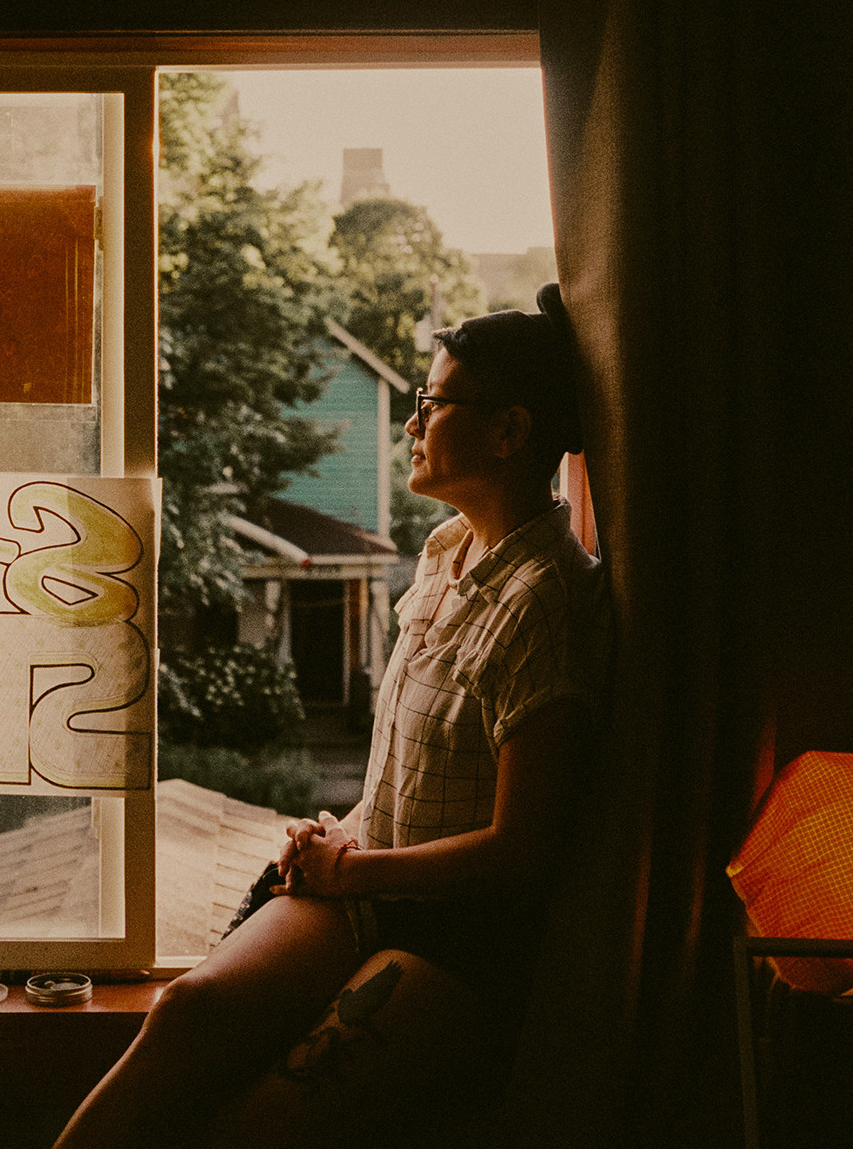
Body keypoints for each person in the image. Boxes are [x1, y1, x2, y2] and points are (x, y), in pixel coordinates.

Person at [55, 285, 606, 1149]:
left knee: (258, 1124)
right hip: (369, 880)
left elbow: (520, 855)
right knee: (187, 1013)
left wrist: (354, 875)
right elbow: (404, 776)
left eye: (433, 404)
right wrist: (335, 844)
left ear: (509, 432)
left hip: (462, 937)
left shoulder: (551, 601)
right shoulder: (447, 552)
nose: (412, 423)